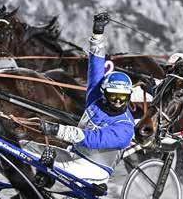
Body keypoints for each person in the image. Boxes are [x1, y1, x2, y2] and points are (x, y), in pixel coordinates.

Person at [39, 12, 135, 185]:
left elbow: (91, 138)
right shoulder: (95, 99)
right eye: (113, 96)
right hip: (75, 154)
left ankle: (58, 196)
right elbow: (96, 65)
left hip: (95, 169)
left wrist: (56, 130)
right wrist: (97, 33)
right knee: (25, 148)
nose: (118, 101)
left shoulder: (125, 128)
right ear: (104, 93)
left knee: (52, 169)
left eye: (122, 97)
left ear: (128, 97)